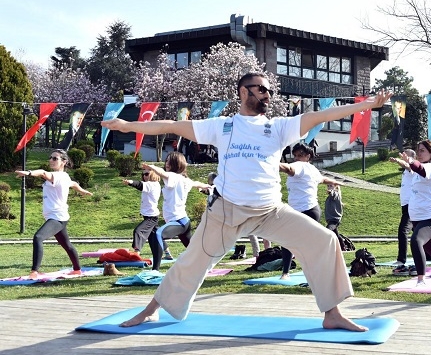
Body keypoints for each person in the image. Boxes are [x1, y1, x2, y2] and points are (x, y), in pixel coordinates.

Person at [102, 72, 391, 331]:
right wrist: (129, 125)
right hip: (226, 212)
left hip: (270, 211)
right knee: (192, 261)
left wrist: (367, 105)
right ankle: (151, 311)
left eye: (269, 91)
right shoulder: (222, 126)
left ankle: (332, 313)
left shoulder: (278, 127)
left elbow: (319, 117)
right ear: (244, 92)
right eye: (262, 90)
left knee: (325, 240)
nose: (267, 95)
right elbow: (175, 125)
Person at [14, 149, 93, 279]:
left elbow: (43, 173)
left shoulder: (59, 176)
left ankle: (35, 271)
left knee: (38, 237)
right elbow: (73, 184)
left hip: (57, 217)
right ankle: (77, 269)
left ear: (64, 162)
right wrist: (83, 191)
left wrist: (28, 172)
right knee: (66, 244)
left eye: (55, 158)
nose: (51, 160)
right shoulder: (64, 177)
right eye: (51, 157)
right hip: (57, 216)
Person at [278, 142, 344, 280]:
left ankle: (289, 273)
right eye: (294, 155)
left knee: (293, 241)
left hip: (306, 210)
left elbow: (288, 168)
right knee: (291, 240)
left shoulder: (300, 166)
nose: (296, 158)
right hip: (306, 210)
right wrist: (334, 181)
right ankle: (289, 272)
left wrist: (271, 165)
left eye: (300, 155)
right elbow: (323, 179)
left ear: (308, 156)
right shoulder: (313, 169)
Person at [392, 140, 431, 283]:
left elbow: (420, 169)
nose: (420, 153)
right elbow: (415, 169)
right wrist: (407, 162)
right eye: (419, 150)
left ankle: (421, 279)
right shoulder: (419, 169)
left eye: (422, 150)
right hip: (417, 218)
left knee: (416, 241)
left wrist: (410, 160)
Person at [145, 151, 208, 271]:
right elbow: (196, 183)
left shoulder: (173, 176)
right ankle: (204, 266)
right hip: (184, 222)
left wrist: (151, 167)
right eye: (166, 160)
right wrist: (206, 186)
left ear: (176, 163)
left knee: (157, 234)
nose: (167, 163)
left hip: (178, 221)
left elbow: (163, 173)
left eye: (169, 161)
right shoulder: (185, 179)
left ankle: (155, 271)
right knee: (193, 249)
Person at [388, 148, 416, 270]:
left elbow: (406, 164)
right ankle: (429, 255)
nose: (403, 157)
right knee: (418, 231)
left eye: (406, 155)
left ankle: (401, 260)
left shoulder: (413, 169)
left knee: (403, 230)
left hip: (411, 206)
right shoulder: (406, 171)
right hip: (406, 206)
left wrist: (398, 160)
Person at [123, 169, 162, 255]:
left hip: (151, 217)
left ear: (153, 174)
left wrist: (130, 182)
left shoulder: (151, 185)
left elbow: (139, 185)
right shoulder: (153, 185)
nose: (144, 176)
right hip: (150, 215)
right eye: (143, 174)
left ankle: (137, 252)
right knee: (155, 236)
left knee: (138, 231)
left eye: (147, 174)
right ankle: (167, 252)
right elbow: (141, 184)